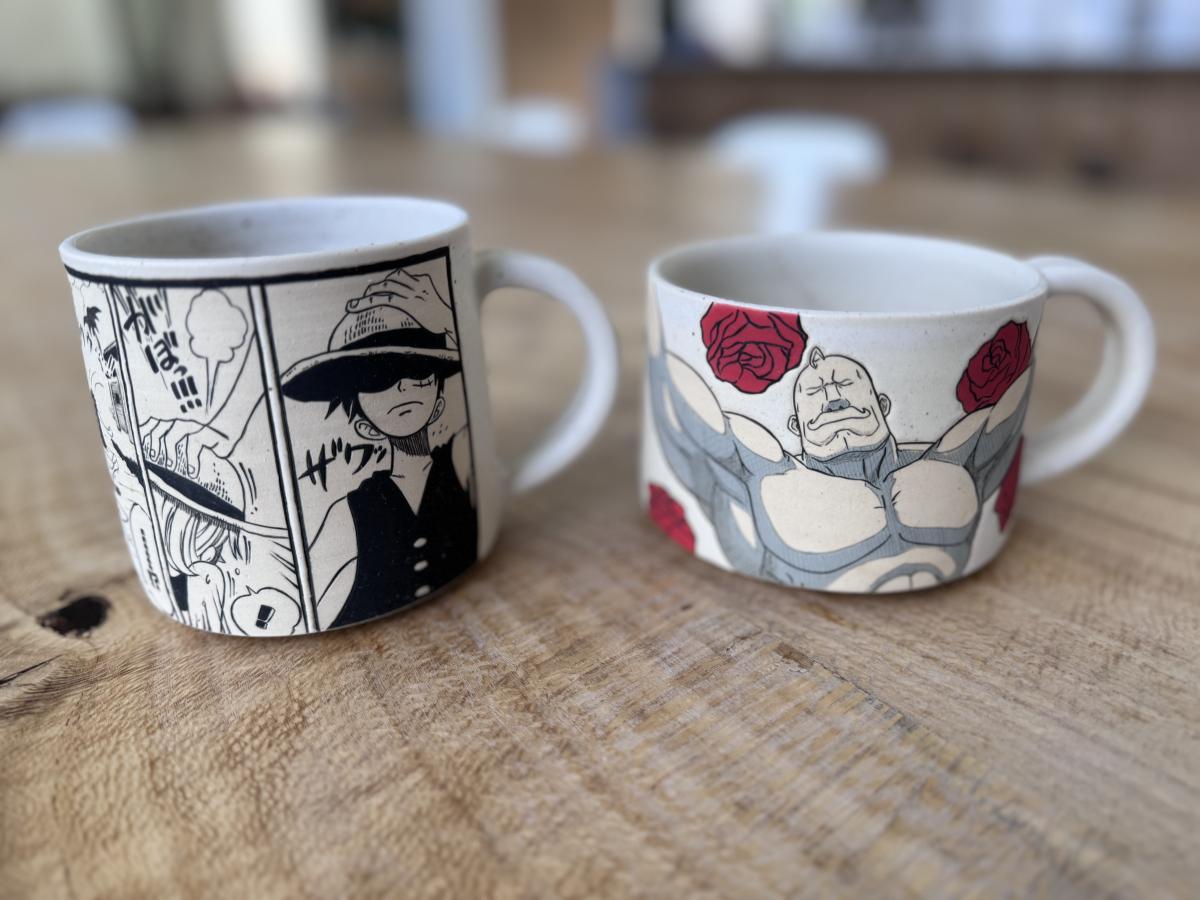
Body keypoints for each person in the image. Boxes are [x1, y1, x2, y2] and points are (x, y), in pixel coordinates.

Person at [648, 336, 1030, 593]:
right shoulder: (767, 476)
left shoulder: (954, 457)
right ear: (795, 426)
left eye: (845, 384)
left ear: (882, 405)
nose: (832, 394)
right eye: (815, 392)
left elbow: (1008, 407)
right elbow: (694, 410)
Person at [281, 268, 476, 628]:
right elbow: (306, 596)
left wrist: (447, 317)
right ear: (364, 426)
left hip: (471, 613)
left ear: (438, 404)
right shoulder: (350, 510)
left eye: (417, 371)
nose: (402, 386)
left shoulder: (459, 458)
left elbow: (473, 407)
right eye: (377, 380)